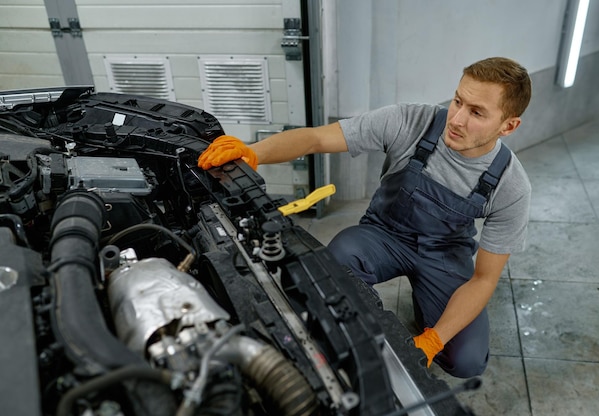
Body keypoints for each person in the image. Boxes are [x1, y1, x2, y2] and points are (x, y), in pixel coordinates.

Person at [198, 56, 532, 378]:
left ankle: (427, 311)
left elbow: (483, 280)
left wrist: (435, 339)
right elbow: (316, 138)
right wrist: (254, 152)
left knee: (466, 360)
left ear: (509, 126)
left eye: (476, 112)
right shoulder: (411, 122)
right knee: (334, 263)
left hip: (443, 254)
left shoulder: (510, 186)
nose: (457, 119)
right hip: (383, 236)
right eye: (458, 101)